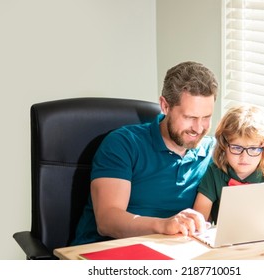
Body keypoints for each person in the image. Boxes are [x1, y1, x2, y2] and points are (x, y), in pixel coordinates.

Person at [71, 61, 218, 246]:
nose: (198, 128)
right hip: (105, 253)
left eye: (206, 117)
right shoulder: (123, 144)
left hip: (173, 252)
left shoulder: (213, 151)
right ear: (165, 106)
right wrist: (164, 225)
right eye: (190, 117)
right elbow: (107, 221)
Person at [193, 105, 264, 223]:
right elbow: (199, 219)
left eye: (253, 149)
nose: (244, 157)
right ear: (223, 146)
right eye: (236, 147)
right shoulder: (214, 173)